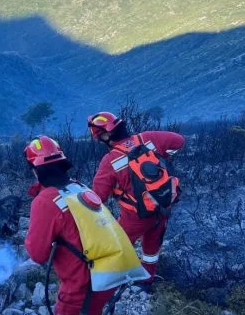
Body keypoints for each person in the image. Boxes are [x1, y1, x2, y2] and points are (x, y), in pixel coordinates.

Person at [24, 136, 149, 315]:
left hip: (80, 287)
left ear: (35, 169)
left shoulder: (45, 201)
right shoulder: (79, 188)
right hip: (107, 276)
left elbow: (37, 254)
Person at [87, 111, 185, 289]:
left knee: (117, 246)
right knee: (152, 246)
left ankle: (109, 284)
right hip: (161, 207)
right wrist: (162, 158)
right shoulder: (147, 139)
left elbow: (98, 198)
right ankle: (146, 281)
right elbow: (178, 141)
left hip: (134, 216)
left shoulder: (110, 161)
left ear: (106, 136)